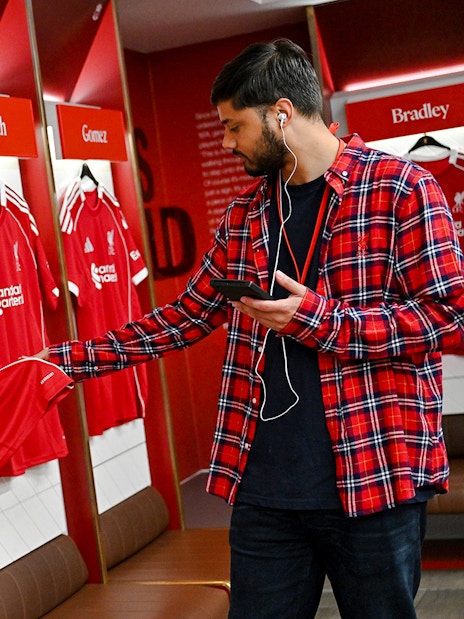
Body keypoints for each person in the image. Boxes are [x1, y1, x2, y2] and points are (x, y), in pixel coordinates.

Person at [34, 39, 464, 618]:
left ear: (280, 115)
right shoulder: (246, 215)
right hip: (265, 488)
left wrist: (316, 320)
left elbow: (446, 316)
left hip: (374, 474)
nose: (229, 143)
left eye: (235, 127)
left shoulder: (403, 189)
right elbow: (187, 316)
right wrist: (65, 359)